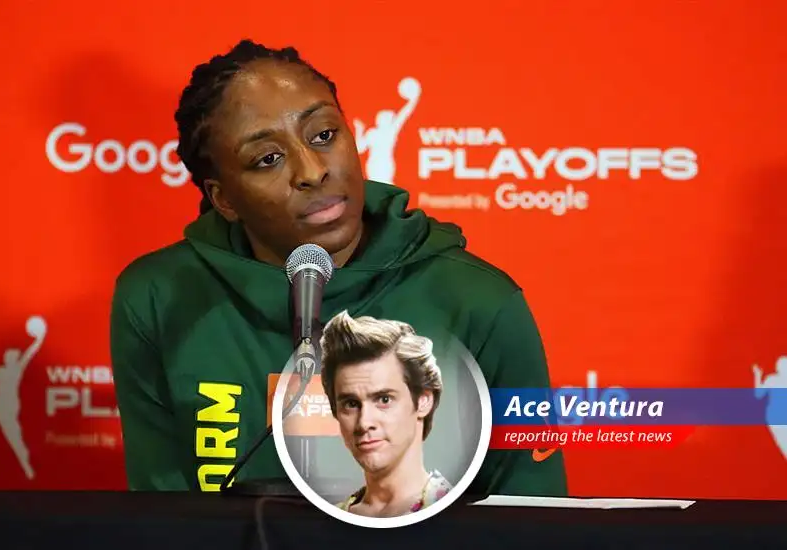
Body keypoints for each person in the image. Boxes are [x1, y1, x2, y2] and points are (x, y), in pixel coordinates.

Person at [110, 39, 567, 496]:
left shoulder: (479, 300)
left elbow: (533, 514)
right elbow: (160, 512)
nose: (312, 170)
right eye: (268, 159)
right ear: (224, 199)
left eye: (324, 135)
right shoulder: (158, 298)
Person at [318, 310, 452, 517]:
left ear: (424, 401)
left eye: (384, 400)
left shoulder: (459, 516)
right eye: (351, 403)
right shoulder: (326, 521)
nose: (364, 423)